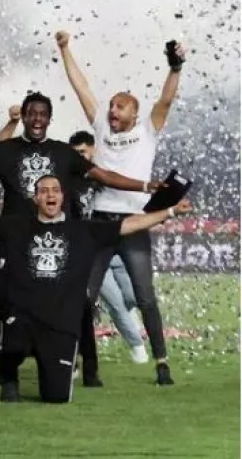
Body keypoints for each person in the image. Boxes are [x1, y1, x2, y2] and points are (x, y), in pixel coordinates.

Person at [0, 175, 192, 403]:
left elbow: (129, 224)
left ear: (62, 197)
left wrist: (169, 212)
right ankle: (10, 377)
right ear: (35, 198)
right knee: (13, 338)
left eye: (55, 190)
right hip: (23, 319)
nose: (50, 195)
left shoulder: (84, 230)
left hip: (60, 326)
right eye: (44, 191)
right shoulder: (16, 226)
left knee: (57, 397)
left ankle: (50, 369)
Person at [0, 91, 158, 387]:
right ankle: (7, 371)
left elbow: (103, 176)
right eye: (32, 113)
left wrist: (144, 185)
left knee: (78, 303)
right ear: (24, 116)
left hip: (60, 240)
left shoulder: (62, 152)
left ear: (49, 119)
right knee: (7, 302)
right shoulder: (5, 150)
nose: (37, 119)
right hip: (16, 238)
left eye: (43, 114)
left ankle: (90, 369)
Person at [57, 31, 185, 385]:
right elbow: (81, 86)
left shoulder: (148, 130)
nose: (112, 110)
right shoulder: (100, 126)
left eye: (120, 106)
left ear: (134, 112)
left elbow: (166, 99)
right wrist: (65, 49)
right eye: (111, 105)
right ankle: (80, 361)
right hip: (100, 222)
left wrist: (176, 68)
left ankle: (162, 362)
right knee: (85, 295)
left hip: (134, 222)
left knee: (145, 296)